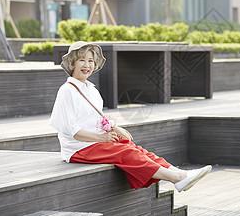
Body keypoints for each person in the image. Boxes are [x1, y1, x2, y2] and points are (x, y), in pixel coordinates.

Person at [50, 41, 211, 192]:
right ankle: (176, 178)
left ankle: (180, 173)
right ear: (72, 63)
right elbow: (72, 130)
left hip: (93, 143)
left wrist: (115, 128)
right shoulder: (67, 91)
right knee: (126, 153)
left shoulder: (91, 89)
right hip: (78, 148)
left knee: (134, 148)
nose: (87, 65)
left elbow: (95, 118)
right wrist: (102, 138)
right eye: (81, 60)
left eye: (91, 61)